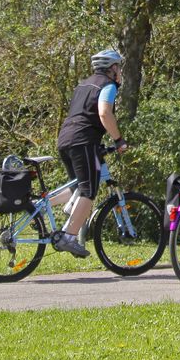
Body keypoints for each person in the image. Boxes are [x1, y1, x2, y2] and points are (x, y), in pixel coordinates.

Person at [54, 48, 129, 258]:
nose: (120, 72)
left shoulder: (82, 85)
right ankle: (69, 237)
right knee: (88, 191)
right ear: (112, 69)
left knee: (77, 187)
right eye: (119, 68)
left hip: (65, 138)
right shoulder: (108, 85)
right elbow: (104, 113)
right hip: (83, 141)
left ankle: (37, 207)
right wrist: (119, 140)